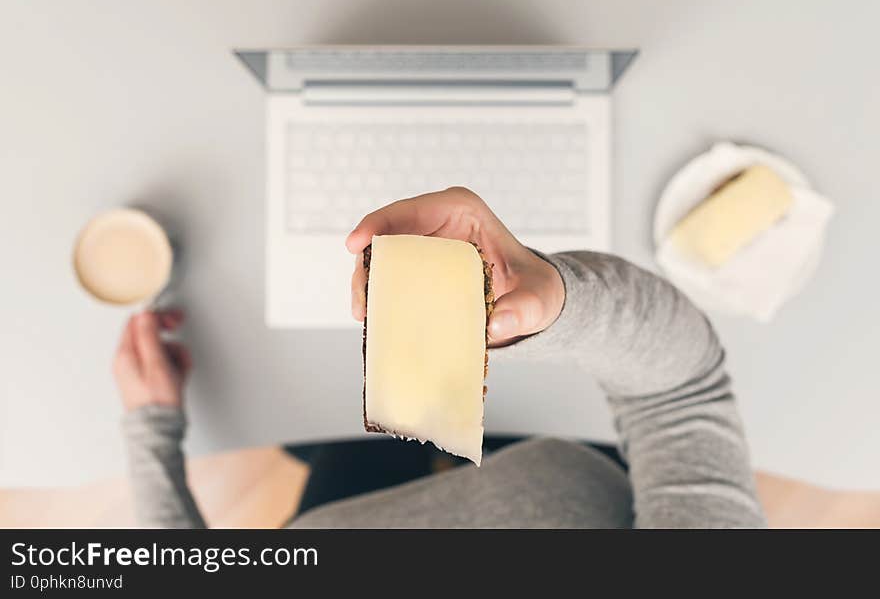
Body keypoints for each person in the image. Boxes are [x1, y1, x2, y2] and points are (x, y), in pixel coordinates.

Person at [116, 187, 766, 528]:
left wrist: (152, 429)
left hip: (350, 499)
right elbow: (680, 390)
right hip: (564, 469)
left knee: (323, 446)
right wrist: (545, 301)